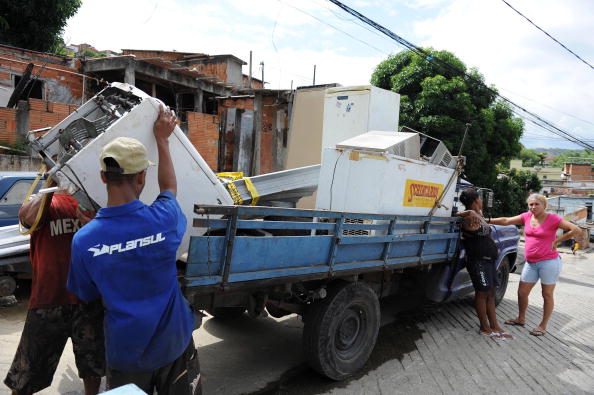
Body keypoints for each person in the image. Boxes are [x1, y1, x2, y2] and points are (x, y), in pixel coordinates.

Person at [67, 106, 201, 394]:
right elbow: (169, 187)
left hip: (124, 354)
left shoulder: (85, 240)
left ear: (103, 177)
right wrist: (163, 140)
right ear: (141, 177)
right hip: (173, 346)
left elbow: (87, 294)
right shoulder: (164, 219)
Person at [4, 181, 105, 394]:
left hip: (87, 299)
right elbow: (28, 218)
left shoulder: (92, 203)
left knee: (93, 367)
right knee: (25, 374)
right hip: (48, 299)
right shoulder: (43, 201)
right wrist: (51, 181)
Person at [489, 193, 580, 336]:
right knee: (522, 293)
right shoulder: (526, 217)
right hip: (531, 263)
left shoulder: (553, 218)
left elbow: (576, 230)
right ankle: (521, 318)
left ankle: (543, 325)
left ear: (544, 205)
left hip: (549, 263)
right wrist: (487, 220)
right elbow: (506, 220)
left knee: (547, 294)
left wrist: (557, 241)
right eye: (531, 204)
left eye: (537, 204)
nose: (533, 207)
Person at [456, 188, 512, 340]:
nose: (481, 201)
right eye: (479, 199)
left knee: (492, 292)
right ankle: (484, 327)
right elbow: (457, 215)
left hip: (488, 260)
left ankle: (495, 325)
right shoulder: (469, 217)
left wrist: (475, 213)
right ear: (475, 201)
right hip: (478, 261)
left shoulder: (478, 215)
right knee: (482, 293)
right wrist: (470, 213)